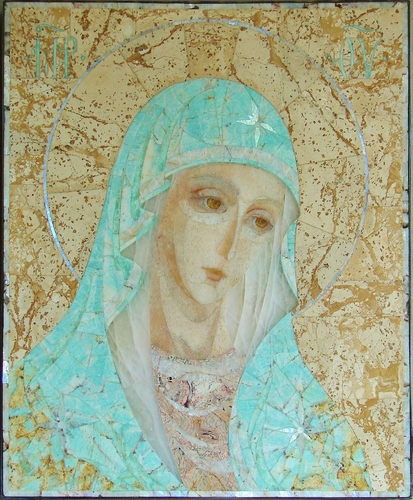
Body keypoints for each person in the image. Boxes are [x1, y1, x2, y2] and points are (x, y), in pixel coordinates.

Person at [7, 78, 371, 493]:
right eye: (213, 202)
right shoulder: (48, 401)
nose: (231, 246)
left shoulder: (303, 419)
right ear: (152, 202)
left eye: (259, 221)